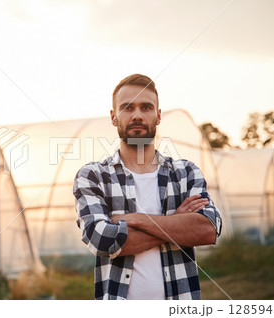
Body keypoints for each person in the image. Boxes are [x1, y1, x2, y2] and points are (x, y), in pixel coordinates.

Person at [73, 74, 222, 300]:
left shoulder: (185, 173)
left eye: (146, 107)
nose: (137, 115)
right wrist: (176, 222)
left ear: (158, 115)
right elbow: (102, 239)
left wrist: (134, 219)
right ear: (113, 117)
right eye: (127, 107)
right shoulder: (94, 176)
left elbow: (208, 229)